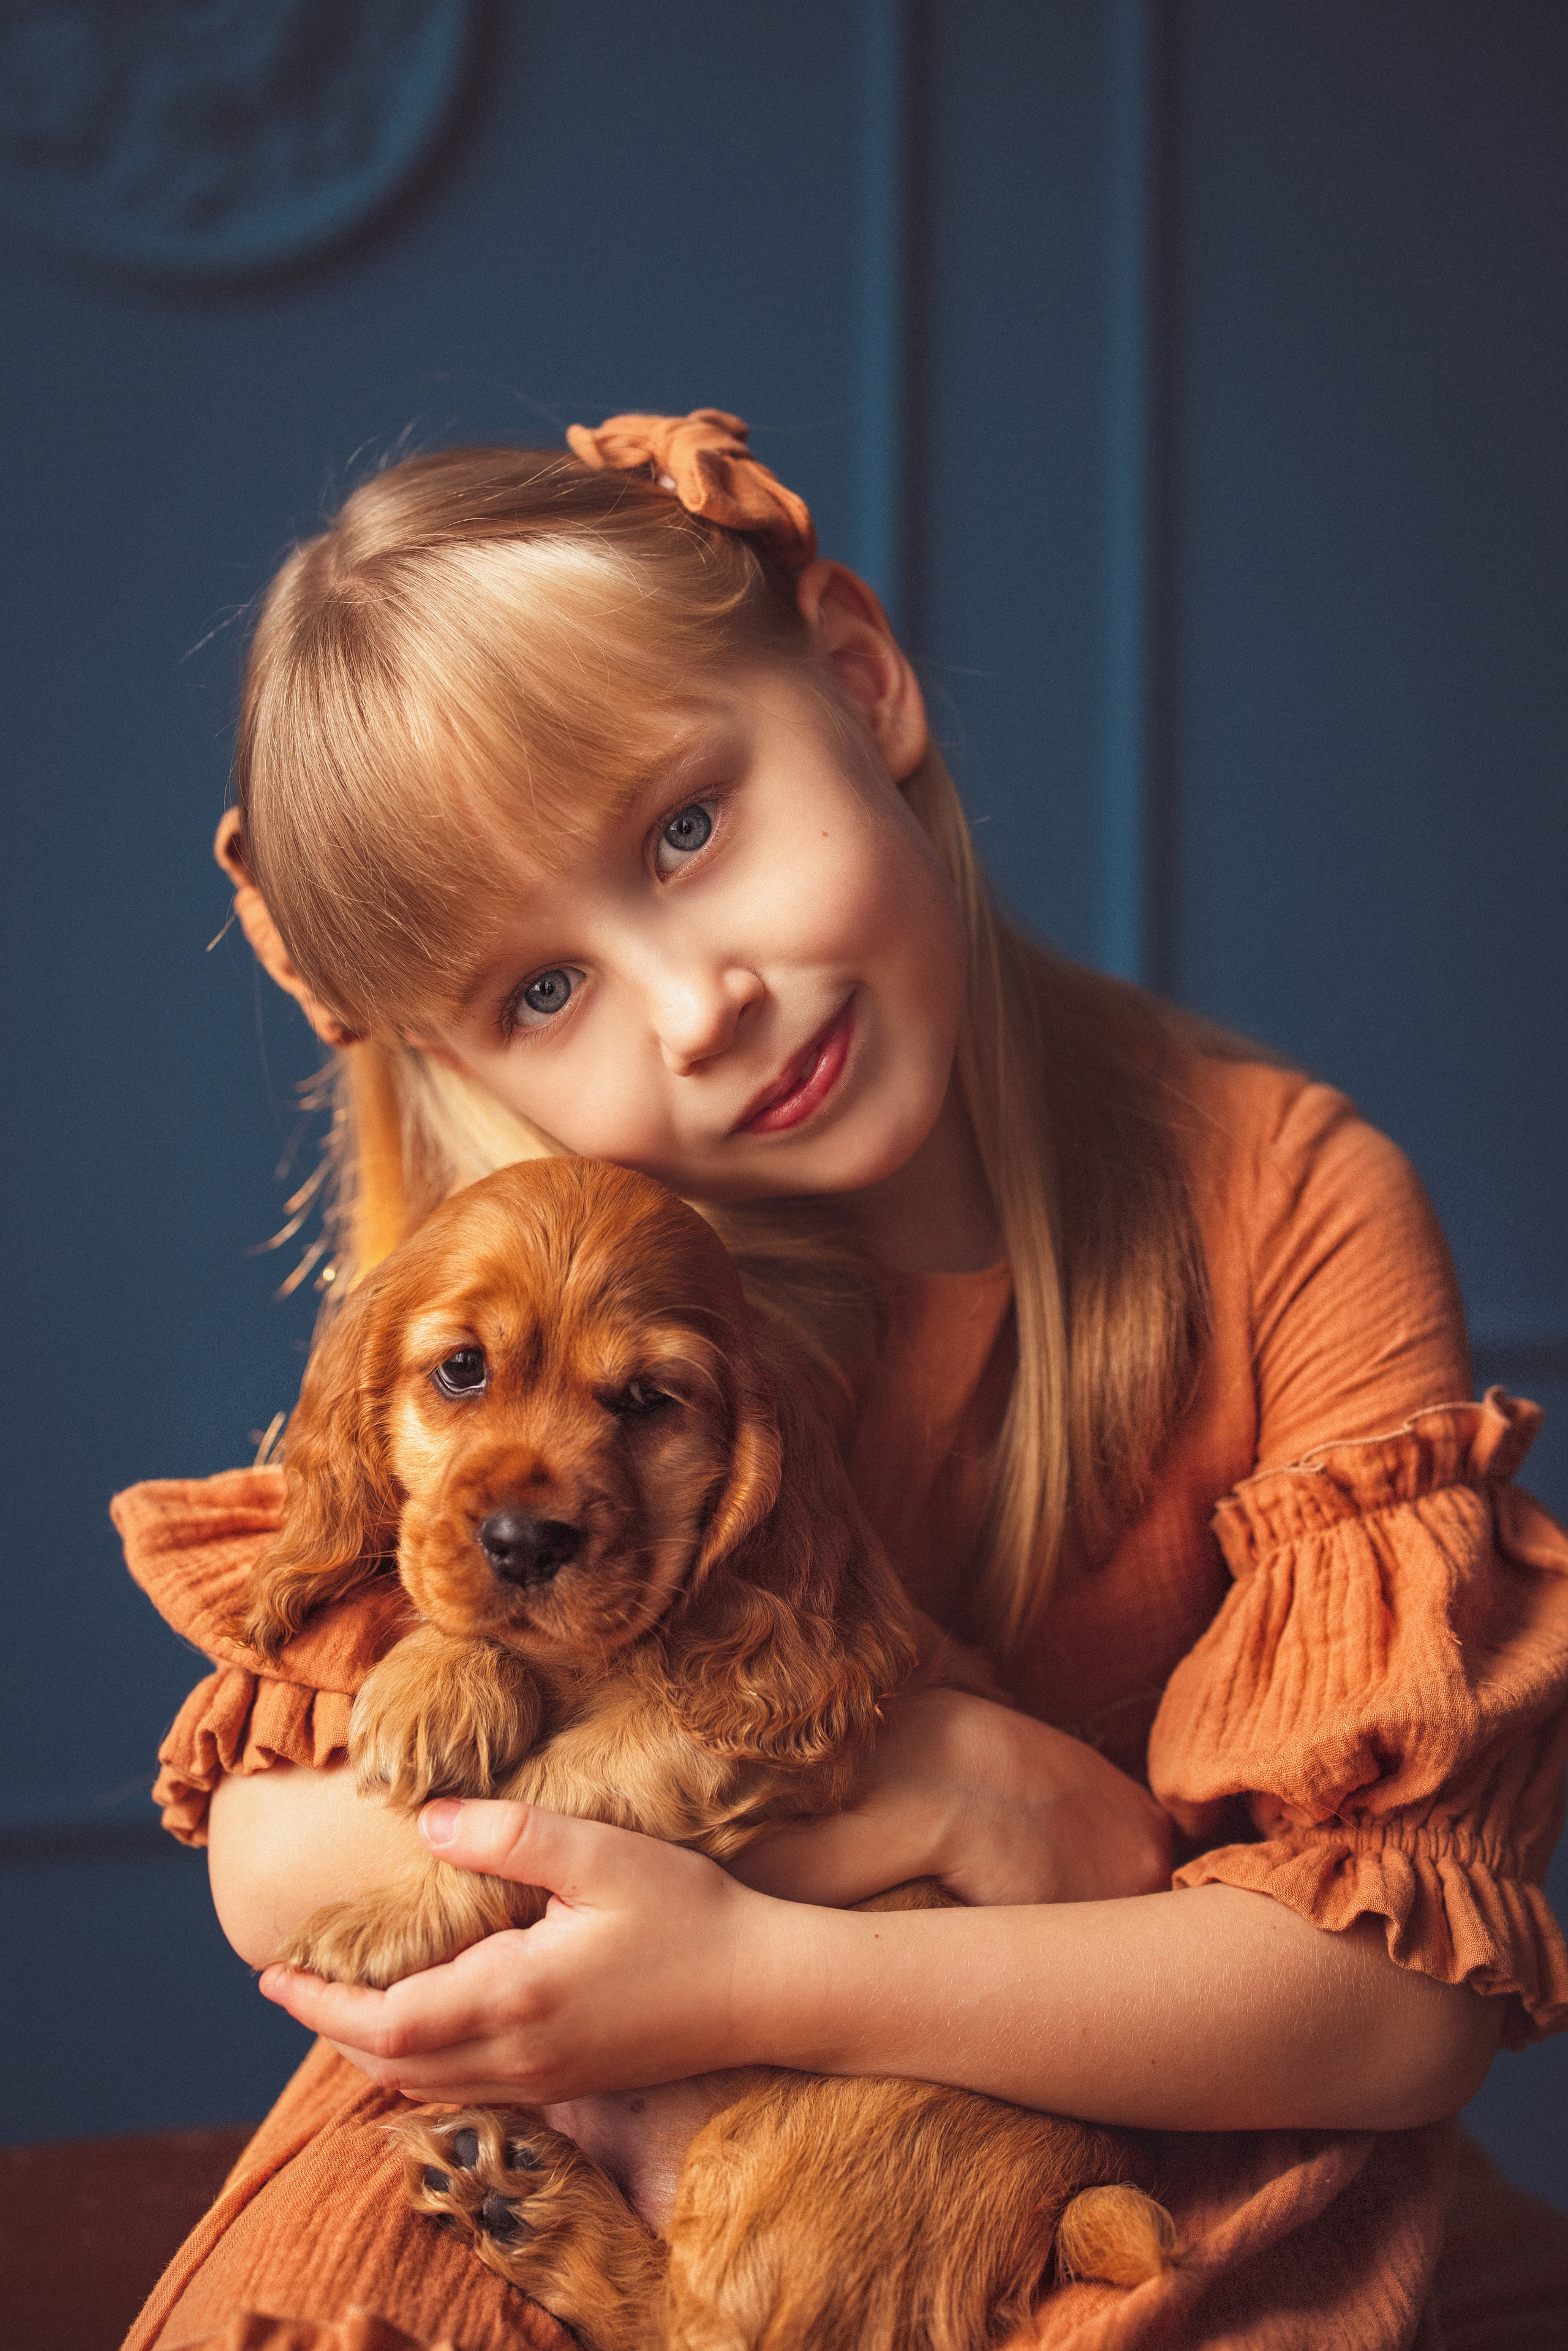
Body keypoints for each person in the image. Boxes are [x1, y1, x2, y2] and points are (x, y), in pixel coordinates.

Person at [117, 410, 1568, 2351]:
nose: (699, 1004)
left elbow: (1398, 2006)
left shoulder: (1290, 1207)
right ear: (467, 1066)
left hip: (1131, 2151)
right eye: (543, 992)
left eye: (686, 829)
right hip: (566, 2104)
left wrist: (755, 1973)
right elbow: (281, 1852)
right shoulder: (524, 1308)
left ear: (862, 680)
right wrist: (946, 1788)